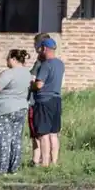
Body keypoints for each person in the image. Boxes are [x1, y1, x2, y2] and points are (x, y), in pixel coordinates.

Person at [0, 49, 32, 175]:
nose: (7, 61)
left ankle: (1, 169)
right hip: (21, 108)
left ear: (13, 59)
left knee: (3, 140)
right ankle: (14, 168)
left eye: (8, 58)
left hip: (3, 110)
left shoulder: (8, 73)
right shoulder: (27, 73)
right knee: (16, 139)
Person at [30, 36, 65, 167]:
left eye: (41, 49)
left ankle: (45, 163)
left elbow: (39, 85)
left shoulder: (46, 65)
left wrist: (31, 85)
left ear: (44, 48)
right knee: (54, 133)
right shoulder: (60, 64)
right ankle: (54, 161)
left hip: (44, 100)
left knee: (44, 134)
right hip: (56, 99)